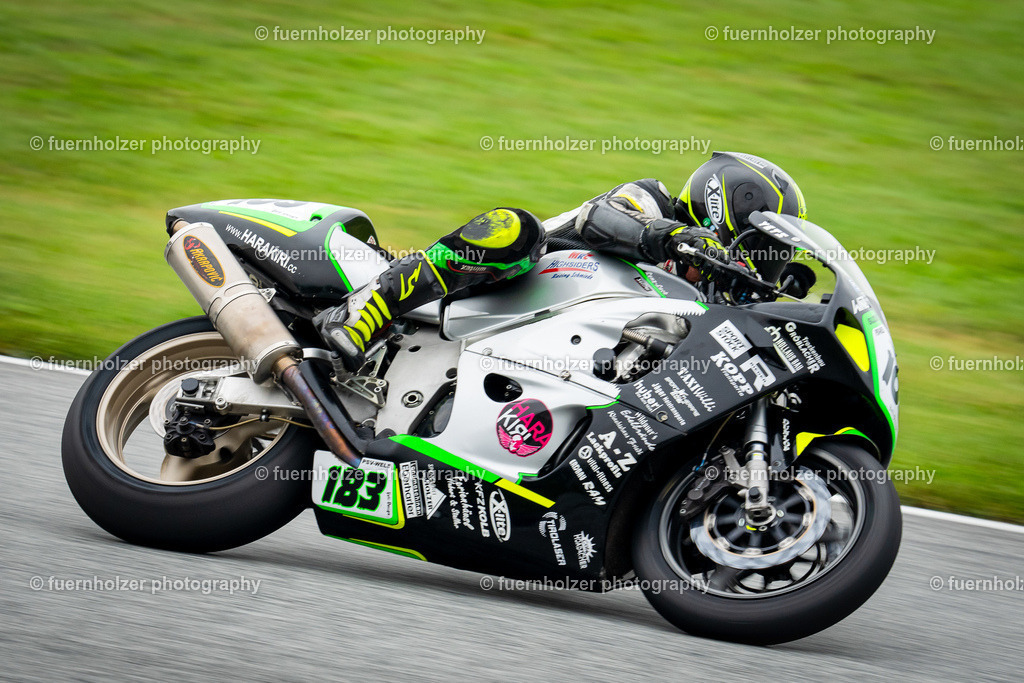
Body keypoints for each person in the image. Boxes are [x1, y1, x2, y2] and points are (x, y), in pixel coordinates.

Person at [316, 151, 807, 370]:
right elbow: (601, 220)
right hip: (500, 288)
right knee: (516, 227)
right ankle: (367, 306)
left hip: (554, 356)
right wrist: (674, 237)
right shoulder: (652, 202)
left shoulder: (706, 298)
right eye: (763, 246)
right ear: (727, 209)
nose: (763, 262)